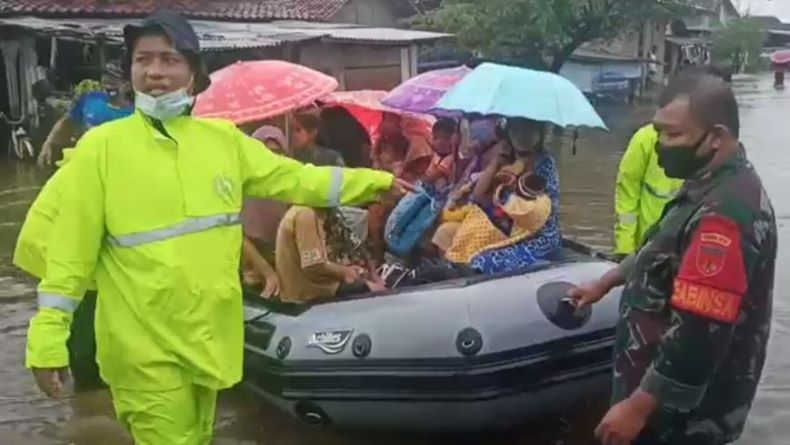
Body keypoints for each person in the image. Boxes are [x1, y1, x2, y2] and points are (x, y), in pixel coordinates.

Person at [24, 10, 409, 445]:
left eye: (169, 60)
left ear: (193, 72)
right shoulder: (101, 150)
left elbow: (299, 179)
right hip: (142, 351)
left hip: (209, 339)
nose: (154, 72)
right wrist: (48, 342)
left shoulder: (224, 143)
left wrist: (376, 182)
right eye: (142, 60)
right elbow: (68, 259)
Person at [569, 71, 777, 445]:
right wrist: (604, 283)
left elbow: (700, 329)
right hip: (654, 398)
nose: (661, 144)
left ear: (715, 137)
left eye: (673, 134)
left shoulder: (726, 214)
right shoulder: (703, 187)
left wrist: (640, 406)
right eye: (658, 131)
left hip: (680, 418)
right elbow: (661, 249)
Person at [614, 65, 733, 257]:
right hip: (648, 249)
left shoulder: (722, 156)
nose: (664, 141)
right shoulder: (645, 139)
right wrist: (625, 249)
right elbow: (627, 194)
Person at [466, 118, 562, 274]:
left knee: (483, 260)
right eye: (516, 129)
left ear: (540, 134)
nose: (522, 135)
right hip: (506, 228)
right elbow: (477, 195)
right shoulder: (507, 159)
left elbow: (533, 213)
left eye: (528, 130)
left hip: (538, 237)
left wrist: (507, 190)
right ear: (508, 131)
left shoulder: (545, 163)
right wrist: (496, 163)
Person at [276, 206, 384, 303]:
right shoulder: (306, 215)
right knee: (375, 295)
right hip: (309, 296)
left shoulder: (313, 212)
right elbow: (313, 266)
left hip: (311, 289)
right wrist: (344, 272)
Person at [37, 62, 134, 166]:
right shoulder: (90, 99)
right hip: (86, 162)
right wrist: (50, 142)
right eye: (105, 76)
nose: (107, 81)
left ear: (127, 84)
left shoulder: (135, 114)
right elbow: (68, 122)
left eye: (113, 79)